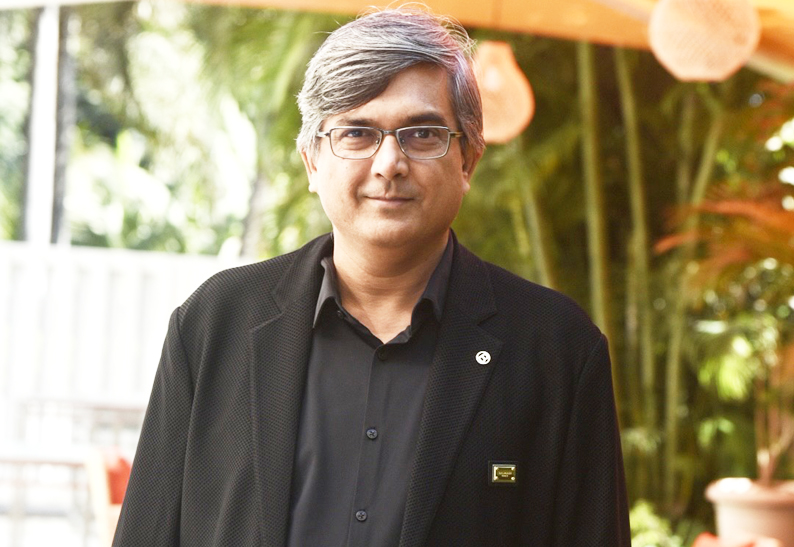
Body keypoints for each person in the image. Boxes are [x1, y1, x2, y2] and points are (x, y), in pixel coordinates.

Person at [113, 7, 630, 547]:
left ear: (468, 161)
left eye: (422, 133)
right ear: (312, 161)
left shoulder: (556, 350)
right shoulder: (215, 324)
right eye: (357, 133)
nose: (389, 163)